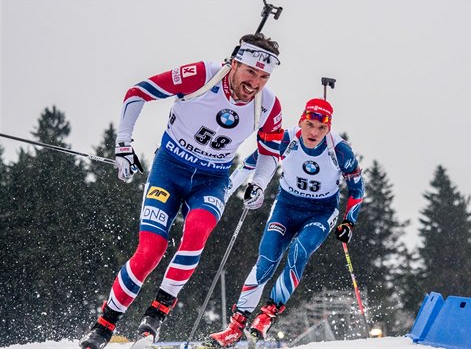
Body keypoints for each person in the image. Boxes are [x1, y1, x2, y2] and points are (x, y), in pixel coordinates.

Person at [79, 33, 284, 349]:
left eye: (264, 76)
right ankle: (104, 326)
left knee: (198, 230)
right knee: (150, 250)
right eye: (251, 72)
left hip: (211, 181)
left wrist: (258, 184)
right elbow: (138, 92)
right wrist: (123, 143)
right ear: (235, 62)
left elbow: (271, 152)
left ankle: (154, 317)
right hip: (169, 173)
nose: (255, 83)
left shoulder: (268, 104)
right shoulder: (202, 75)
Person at [206, 98, 364, 348]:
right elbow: (251, 162)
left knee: (299, 251)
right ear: (301, 120)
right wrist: (224, 193)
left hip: (321, 212)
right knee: (266, 258)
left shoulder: (339, 150)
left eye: (321, 128)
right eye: (309, 124)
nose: (313, 132)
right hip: (286, 207)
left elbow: (357, 187)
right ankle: (235, 328)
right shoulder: (285, 138)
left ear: (329, 128)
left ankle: (266, 317)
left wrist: (349, 222)